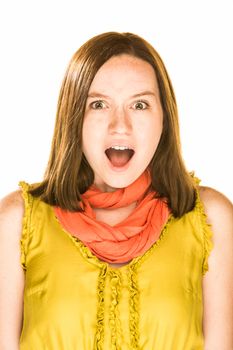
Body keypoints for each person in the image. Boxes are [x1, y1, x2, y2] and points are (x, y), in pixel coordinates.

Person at [0, 31, 232, 350]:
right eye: (98, 104)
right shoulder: (18, 221)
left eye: (139, 105)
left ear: (164, 119)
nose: (119, 125)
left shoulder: (210, 217)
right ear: (73, 118)